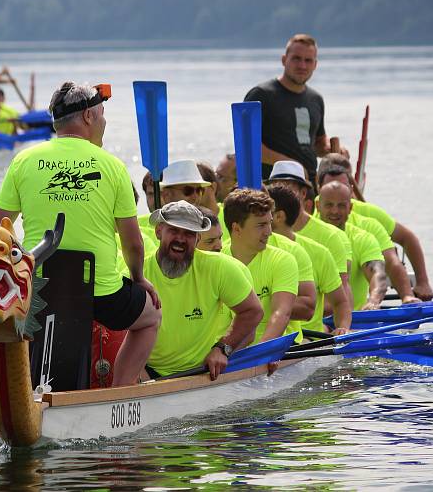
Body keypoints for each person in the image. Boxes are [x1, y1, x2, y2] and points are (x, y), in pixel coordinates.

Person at [0, 81, 161, 386]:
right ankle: (118, 394)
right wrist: (138, 280)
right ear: (87, 117)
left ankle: (24, 391)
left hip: (38, 287)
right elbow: (133, 243)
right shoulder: (113, 166)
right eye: (103, 114)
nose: (105, 122)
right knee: (150, 319)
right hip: (101, 293)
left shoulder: (23, 161)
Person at [143, 201, 262, 380]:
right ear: (159, 231)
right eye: (174, 230)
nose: (181, 239)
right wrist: (136, 372)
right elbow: (115, 332)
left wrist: (223, 348)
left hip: (203, 373)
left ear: (198, 239)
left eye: (189, 233)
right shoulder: (137, 274)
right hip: (147, 371)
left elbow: (253, 311)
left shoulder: (220, 268)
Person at [318, 153, 433, 300]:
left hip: (353, 314)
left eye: (341, 203)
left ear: (351, 190)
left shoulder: (369, 220)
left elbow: (392, 259)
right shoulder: (305, 217)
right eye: (329, 203)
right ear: (318, 191)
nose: (335, 210)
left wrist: (410, 294)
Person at [244, 34, 348, 187]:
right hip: (273, 186)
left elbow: (318, 143)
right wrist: (291, 166)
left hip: (310, 185)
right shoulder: (261, 94)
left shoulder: (316, 99)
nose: (302, 66)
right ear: (284, 60)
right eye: (296, 58)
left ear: (315, 64)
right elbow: (249, 145)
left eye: (308, 60)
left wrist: (334, 151)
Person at [266, 161, 353, 311]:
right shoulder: (256, 235)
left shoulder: (331, 237)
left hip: (315, 327)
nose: (281, 195)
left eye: (288, 188)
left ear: (303, 193)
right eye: (276, 189)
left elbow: (341, 298)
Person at [221, 189, 299, 345]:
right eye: (261, 225)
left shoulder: (283, 260)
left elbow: (281, 313)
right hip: (226, 351)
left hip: (274, 350)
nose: (269, 232)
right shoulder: (217, 260)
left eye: (269, 223)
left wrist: (263, 351)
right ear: (236, 228)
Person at [317, 181, 388, 310]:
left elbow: (378, 275)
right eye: (329, 205)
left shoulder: (363, 239)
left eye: (341, 206)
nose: (334, 211)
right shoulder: (303, 235)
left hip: (351, 321)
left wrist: (373, 300)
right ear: (318, 206)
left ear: (350, 208)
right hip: (311, 321)